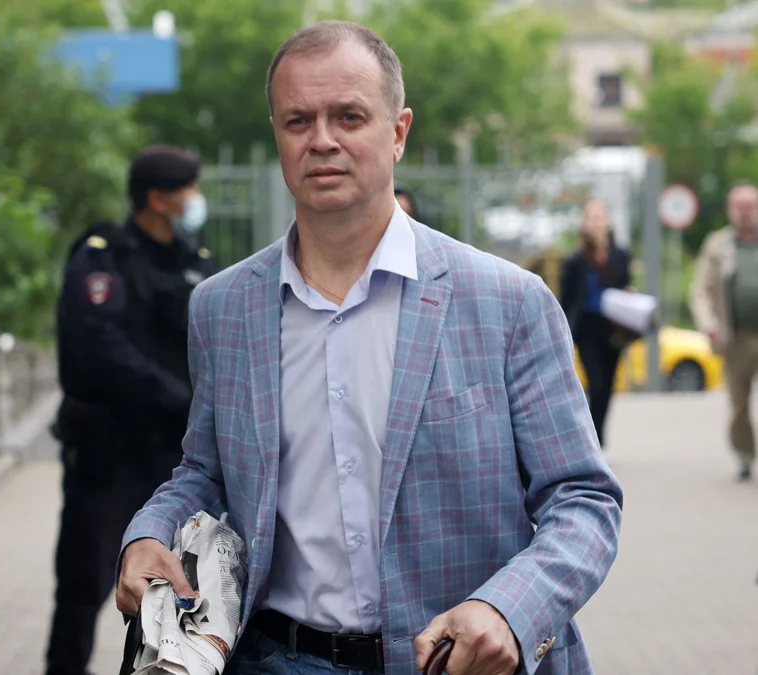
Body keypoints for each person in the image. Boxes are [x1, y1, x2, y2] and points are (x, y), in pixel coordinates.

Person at [115, 21, 623, 675]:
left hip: (451, 663)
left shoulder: (508, 303)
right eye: (298, 120)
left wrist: (508, 610)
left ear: (398, 132)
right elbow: (206, 472)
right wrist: (149, 531)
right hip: (275, 657)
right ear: (278, 136)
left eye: (349, 116)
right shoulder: (222, 308)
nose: (322, 139)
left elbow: (582, 499)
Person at [46, 145, 219, 675]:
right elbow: (98, 346)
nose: (197, 199)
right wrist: (175, 393)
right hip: (110, 454)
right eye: (188, 190)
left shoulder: (195, 261)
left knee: (181, 590)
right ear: (157, 199)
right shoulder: (103, 257)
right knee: (83, 588)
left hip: (174, 460)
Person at [690, 183, 758, 481]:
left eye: (750, 205)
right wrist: (709, 325)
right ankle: (745, 456)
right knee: (739, 404)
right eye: (739, 206)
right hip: (736, 338)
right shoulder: (718, 245)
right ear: (730, 210)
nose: (745, 212)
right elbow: (700, 290)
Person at [559, 197, 633, 457]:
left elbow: (625, 286)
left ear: (608, 221)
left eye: (600, 216)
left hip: (614, 330)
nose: (596, 222)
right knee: (596, 383)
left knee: (608, 387)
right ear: (584, 223)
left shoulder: (620, 256)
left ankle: (599, 440)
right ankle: (589, 441)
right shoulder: (575, 260)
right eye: (591, 217)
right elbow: (566, 300)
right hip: (587, 330)